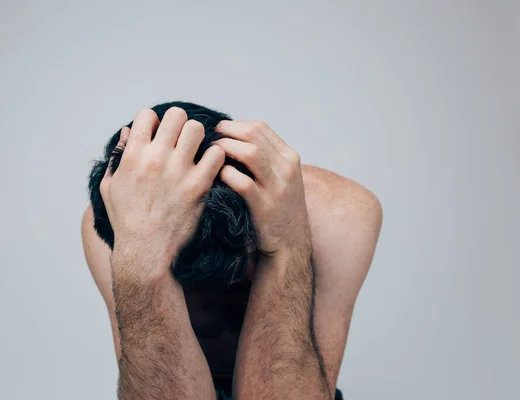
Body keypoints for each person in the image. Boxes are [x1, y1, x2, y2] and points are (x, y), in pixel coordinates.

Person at [81, 102, 382, 399]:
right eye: (200, 282)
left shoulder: (338, 212)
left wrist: (287, 248)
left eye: (247, 260)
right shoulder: (121, 222)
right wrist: (141, 259)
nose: (233, 283)